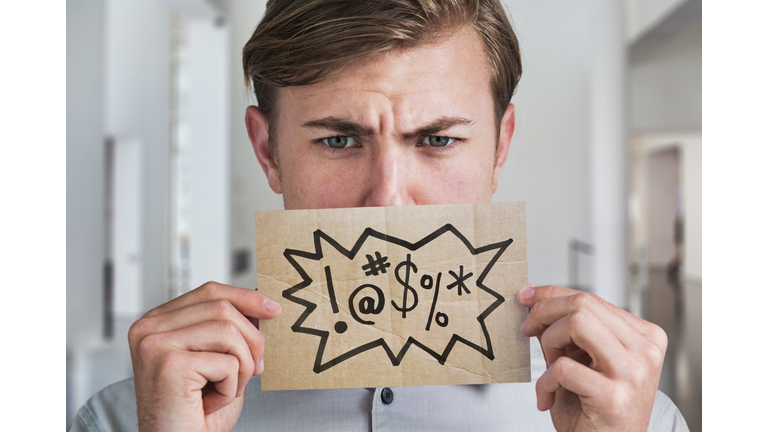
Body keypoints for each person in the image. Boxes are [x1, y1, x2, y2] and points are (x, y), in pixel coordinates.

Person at [69, 1, 689, 431]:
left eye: (438, 140)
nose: (388, 200)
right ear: (268, 151)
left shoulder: (624, 414)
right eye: (339, 141)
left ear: (500, 147)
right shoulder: (133, 420)